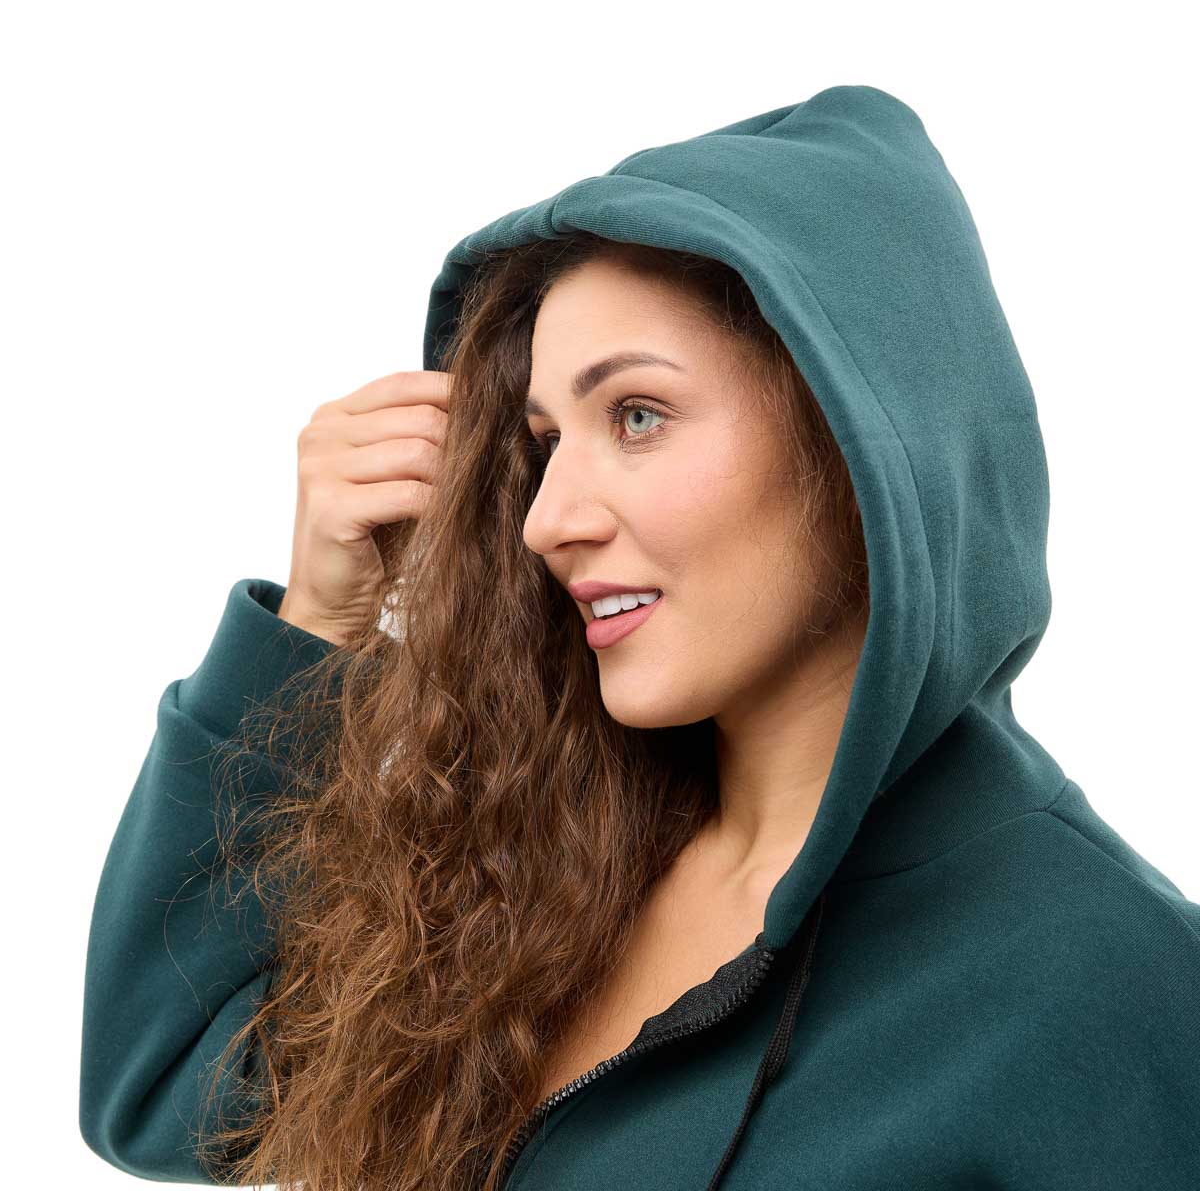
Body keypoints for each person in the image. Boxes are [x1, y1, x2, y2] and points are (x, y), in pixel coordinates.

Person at [79, 84, 1200, 1190]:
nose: (547, 520)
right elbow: (161, 1085)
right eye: (544, 441)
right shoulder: (544, 869)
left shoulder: (1111, 988)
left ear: (865, 436)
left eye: (638, 416)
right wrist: (318, 627)